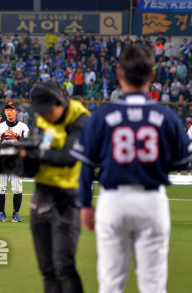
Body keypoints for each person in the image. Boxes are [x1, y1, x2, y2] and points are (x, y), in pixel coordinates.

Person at [71, 45, 192, 293]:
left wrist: (84, 204)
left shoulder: (102, 115)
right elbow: (183, 162)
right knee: (153, 285)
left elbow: (86, 164)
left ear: (119, 74)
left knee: (111, 284)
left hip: (113, 200)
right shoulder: (166, 116)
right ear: (152, 76)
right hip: (151, 200)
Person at [26, 81, 89, 293]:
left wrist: (36, 155)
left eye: (48, 111)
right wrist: (23, 161)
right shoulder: (41, 119)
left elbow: (69, 157)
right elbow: (31, 153)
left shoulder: (80, 119)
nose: (44, 116)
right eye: (40, 112)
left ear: (60, 101)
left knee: (64, 267)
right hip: (40, 197)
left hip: (67, 199)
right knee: (47, 270)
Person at [0, 101, 29, 222]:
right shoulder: (0, 126)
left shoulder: (23, 127)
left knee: (17, 188)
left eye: (12, 109)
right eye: (7, 110)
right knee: (1, 187)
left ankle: (15, 214)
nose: (9, 112)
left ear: (16, 112)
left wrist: (17, 136)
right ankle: (2, 214)